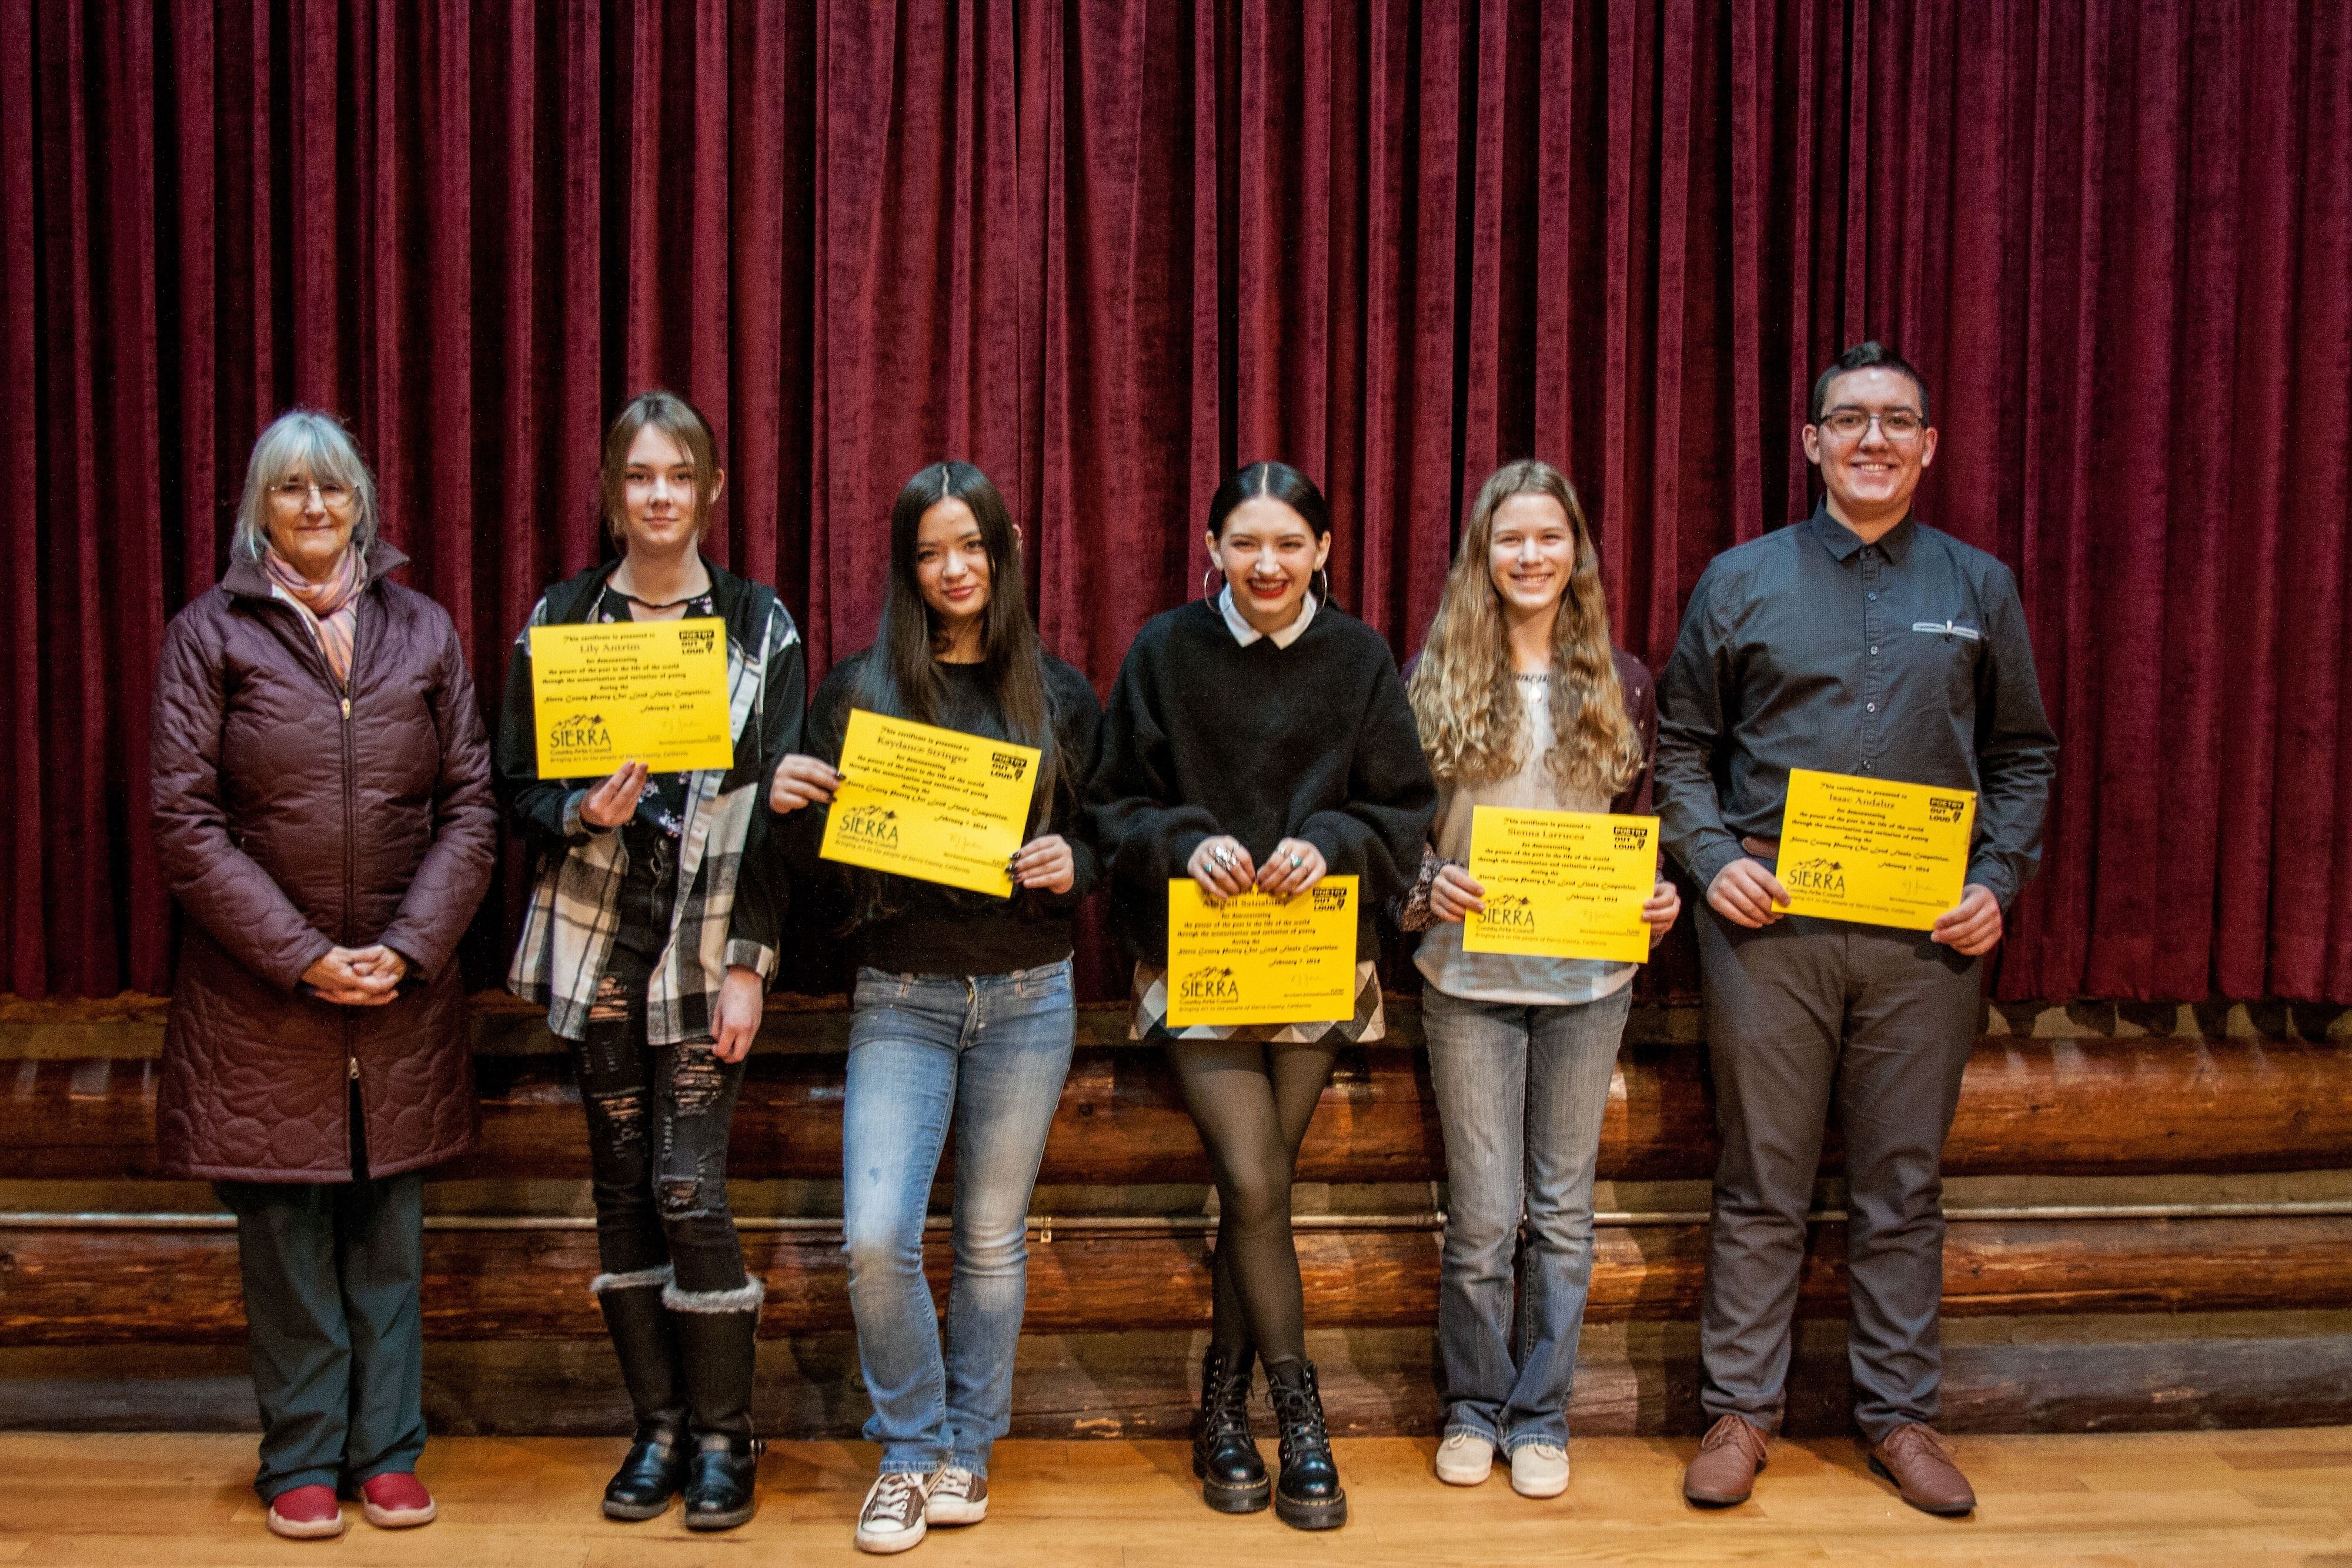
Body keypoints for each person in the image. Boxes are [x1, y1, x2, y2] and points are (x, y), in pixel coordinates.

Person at [1655, 342, 2057, 1516]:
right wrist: (1714, 860)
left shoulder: (1978, 585)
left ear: (1928, 445)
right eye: (1848, 419)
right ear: (1812, 442)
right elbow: (1680, 749)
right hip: (1768, 928)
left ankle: (1900, 1416)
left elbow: (2023, 755)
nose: (1871, 439)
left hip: (1923, 937)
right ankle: (1740, 1411)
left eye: (1894, 421)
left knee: (1901, 1183)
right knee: (1760, 1178)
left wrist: (1997, 881)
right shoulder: (1740, 579)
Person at [149, 409, 497, 1541]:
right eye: (290, 488)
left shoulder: (425, 630)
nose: (313, 507)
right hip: (262, 1000)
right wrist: (302, 956)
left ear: (363, 505)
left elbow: (472, 808)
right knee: (288, 1241)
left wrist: (408, 947)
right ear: (259, 507)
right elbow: (185, 823)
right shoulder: (209, 635)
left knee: (388, 1236)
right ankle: (301, 1457)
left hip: (400, 994)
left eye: (333, 488)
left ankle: (387, 1454)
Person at [1088, 461, 1437, 1532]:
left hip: (1315, 956)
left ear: (1323, 550)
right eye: (1246, 543)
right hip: (1197, 954)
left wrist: (1328, 841)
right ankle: (1301, 1414)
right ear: (1213, 548)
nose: (1268, 563)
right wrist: (1185, 842)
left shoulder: (1359, 657)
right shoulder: (1164, 651)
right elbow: (1112, 806)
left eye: (1290, 543)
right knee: (1252, 1175)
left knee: (1259, 1194)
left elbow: (1403, 807)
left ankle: (1221, 1409)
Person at [769, 462, 1101, 1554]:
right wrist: (789, 813)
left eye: (972, 546)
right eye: (929, 552)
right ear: (907, 568)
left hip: (1029, 995)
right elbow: (822, 883)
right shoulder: (859, 692)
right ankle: (910, 1450)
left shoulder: (1061, 695)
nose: (954, 569)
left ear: (1005, 552)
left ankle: (969, 1448)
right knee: (877, 1239)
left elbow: (1108, 833)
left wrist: (1078, 863)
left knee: (992, 1241)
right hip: (901, 995)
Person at [496, 389, 805, 1531]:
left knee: (688, 1183)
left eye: (680, 475)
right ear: (611, 491)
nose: (660, 495)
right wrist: (579, 810)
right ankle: (659, 1426)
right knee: (623, 1185)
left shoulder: (759, 624)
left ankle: (725, 1433)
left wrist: (752, 962)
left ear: (712, 490)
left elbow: (776, 809)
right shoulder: (563, 617)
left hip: (707, 936)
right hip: (599, 935)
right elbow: (512, 784)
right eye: (640, 476)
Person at [1399, 459, 1680, 1500]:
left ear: (1577, 553)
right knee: (1482, 1218)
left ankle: (1542, 1416)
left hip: (1590, 983)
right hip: (1466, 980)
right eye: (1510, 538)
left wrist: (1658, 897)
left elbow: (1641, 829)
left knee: (1562, 1214)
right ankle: (1473, 1407)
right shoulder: (1430, 677)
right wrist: (1428, 885)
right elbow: (1394, 835)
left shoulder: (1625, 681)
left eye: (1549, 537)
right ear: (1484, 553)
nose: (1530, 555)